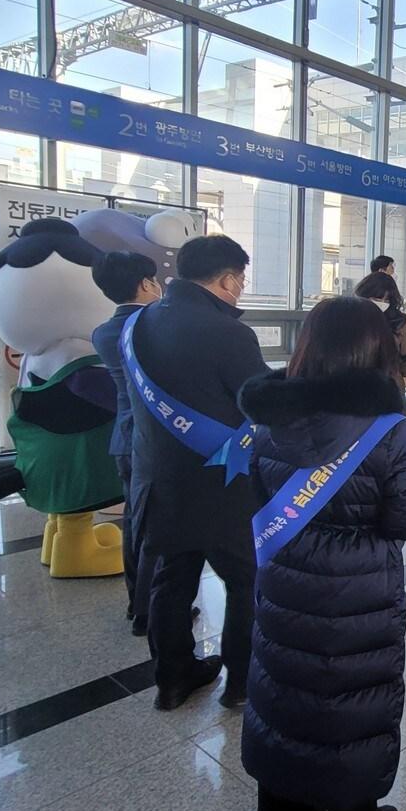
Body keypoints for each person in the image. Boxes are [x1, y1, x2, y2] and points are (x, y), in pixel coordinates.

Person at [238, 296, 406, 811]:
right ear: (376, 353)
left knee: (286, 690)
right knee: (350, 705)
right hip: (359, 594)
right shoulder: (386, 428)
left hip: (284, 583)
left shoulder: (268, 416)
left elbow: (256, 497)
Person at [125, 235, 268, 710]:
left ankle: (172, 679)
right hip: (222, 483)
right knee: (246, 580)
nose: (241, 289)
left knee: (172, 576)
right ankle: (242, 683)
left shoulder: (139, 323)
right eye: (241, 280)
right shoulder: (228, 333)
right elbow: (260, 402)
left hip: (159, 480)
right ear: (227, 279)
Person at [91, 250, 164, 635]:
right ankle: (154, 608)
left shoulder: (102, 332)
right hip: (157, 441)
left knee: (134, 522)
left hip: (124, 437)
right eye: (155, 280)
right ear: (146, 284)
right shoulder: (155, 327)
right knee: (160, 526)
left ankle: (137, 603)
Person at [354, 271, 406, 394]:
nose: (382, 304)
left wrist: (403, 381)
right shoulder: (348, 323)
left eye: (387, 300)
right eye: (377, 298)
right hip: (355, 396)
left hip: (390, 398)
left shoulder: (398, 326)